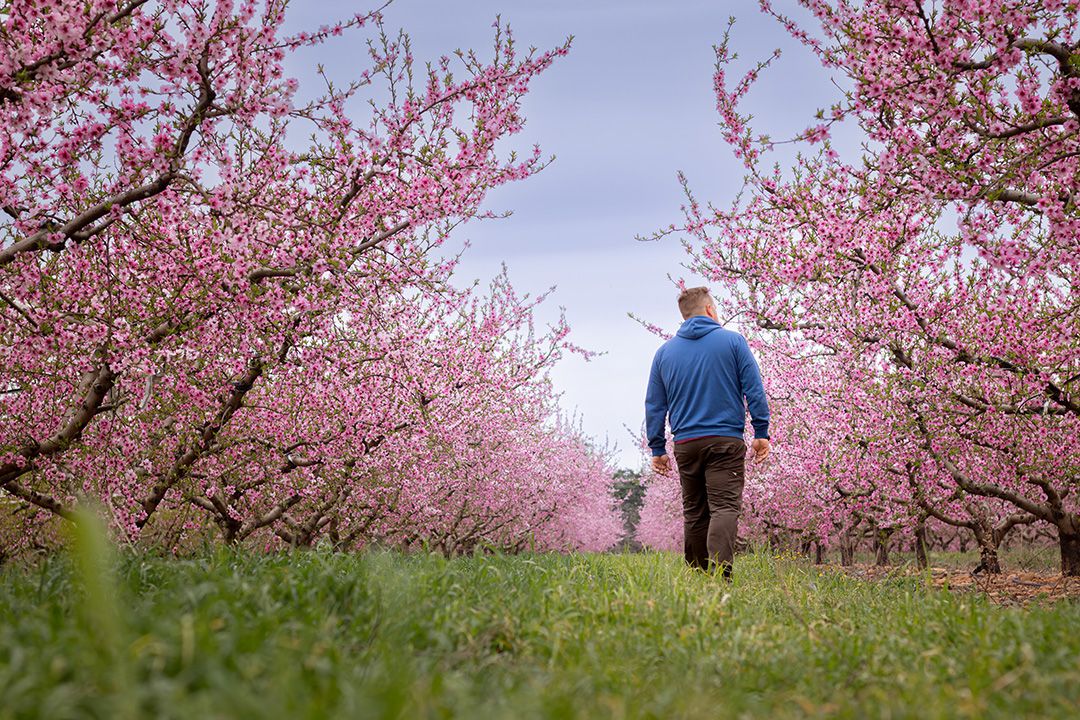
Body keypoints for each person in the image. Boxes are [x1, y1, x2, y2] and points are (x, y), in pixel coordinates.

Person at [644, 286, 771, 578]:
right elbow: (754, 388)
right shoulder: (733, 342)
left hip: (686, 443)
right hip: (725, 440)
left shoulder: (664, 353)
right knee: (724, 507)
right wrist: (760, 430)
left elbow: (654, 403)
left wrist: (658, 448)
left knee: (695, 511)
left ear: (684, 316)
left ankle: (698, 576)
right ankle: (719, 576)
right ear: (711, 310)